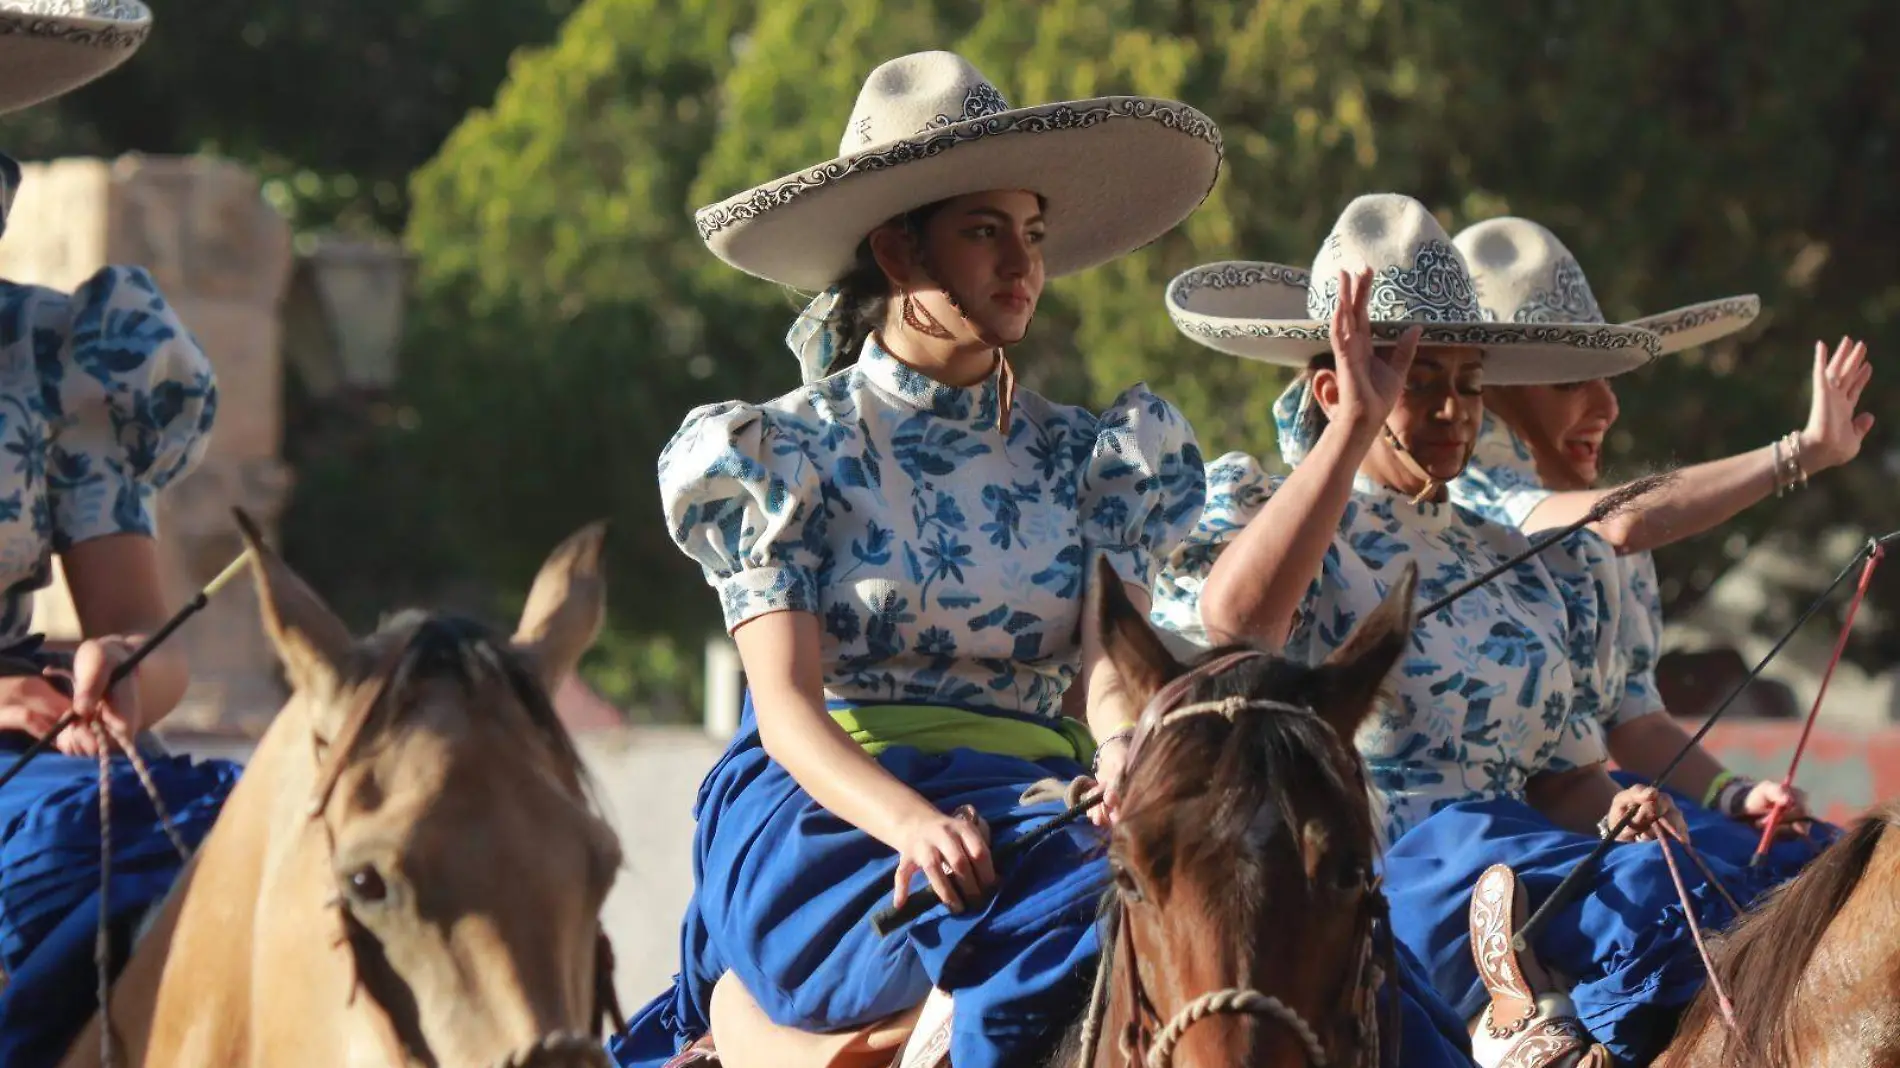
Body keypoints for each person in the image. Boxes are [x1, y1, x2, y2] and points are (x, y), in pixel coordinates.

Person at [608, 51, 1219, 1068]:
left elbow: (1110, 674)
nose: (1022, 266)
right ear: (898, 254)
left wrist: (1121, 751)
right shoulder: (783, 453)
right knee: (1077, 929)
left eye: (1030, 234)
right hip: (836, 821)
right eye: (984, 234)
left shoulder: (1095, 459)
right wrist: (912, 825)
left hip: (1041, 810)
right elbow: (790, 712)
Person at [1151, 192, 1746, 1066]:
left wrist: (1616, 806)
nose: (1452, 411)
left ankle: (1540, 1023)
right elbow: (1239, 624)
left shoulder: (1505, 555)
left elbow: (1566, 778)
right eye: (1417, 382)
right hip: (1387, 872)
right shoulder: (1271, 515)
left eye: (1468, 385)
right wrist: (1353, 429)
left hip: (1527, 864)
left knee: (1733, 887)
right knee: (1655, 902)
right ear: (1333, 386)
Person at [1447, 216, 1865, 868]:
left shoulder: (1610, 545)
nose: (1608, 408)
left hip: (1613, 812)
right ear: (1491, 397)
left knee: (1820, 864)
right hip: (1492, 845)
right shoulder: (1468, 508)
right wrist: (1797, 455)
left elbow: (1636, 720)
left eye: (1608, 379)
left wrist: (1735, 794)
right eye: (1569, 383)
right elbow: (1623, 521)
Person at [0, 3, 240, 1064]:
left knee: (226, 857)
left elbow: (146, 637)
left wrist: (119, 677)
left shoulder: (62, 355)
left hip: (28, 760)